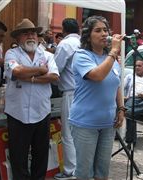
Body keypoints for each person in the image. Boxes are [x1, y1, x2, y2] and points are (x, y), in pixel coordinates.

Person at [69, 15, 124, 180]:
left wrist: (121, 108)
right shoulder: (81, 56)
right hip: (85, 123)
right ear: (88, 35)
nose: (103, 34)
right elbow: (97, 75)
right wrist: (114, 52)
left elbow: (117, 85)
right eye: (97, 30)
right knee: (85, 173)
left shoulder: (111, 60)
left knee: (102, 171)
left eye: (105, 30)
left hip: (108, 124)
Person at [4, 18, 59, 180]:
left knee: (41, 155)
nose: (31, 36)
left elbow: (54, 76)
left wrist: (31, 78)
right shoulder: (11, 53)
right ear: (18, 38)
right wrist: (41, 70)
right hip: (17, 114)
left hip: (42, 112)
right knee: (18, 157)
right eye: (26, 33)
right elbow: (17, 72)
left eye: (33, 33)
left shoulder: (47, 55)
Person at [53, 18, 80, 180]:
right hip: (85, 92)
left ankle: (70, 170)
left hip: (70, 92)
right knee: (81, 132)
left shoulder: (65, 44)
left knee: (68, 133)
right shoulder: (84, 43)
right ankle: (80, 167)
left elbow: (55, 68)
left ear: (64, 30)